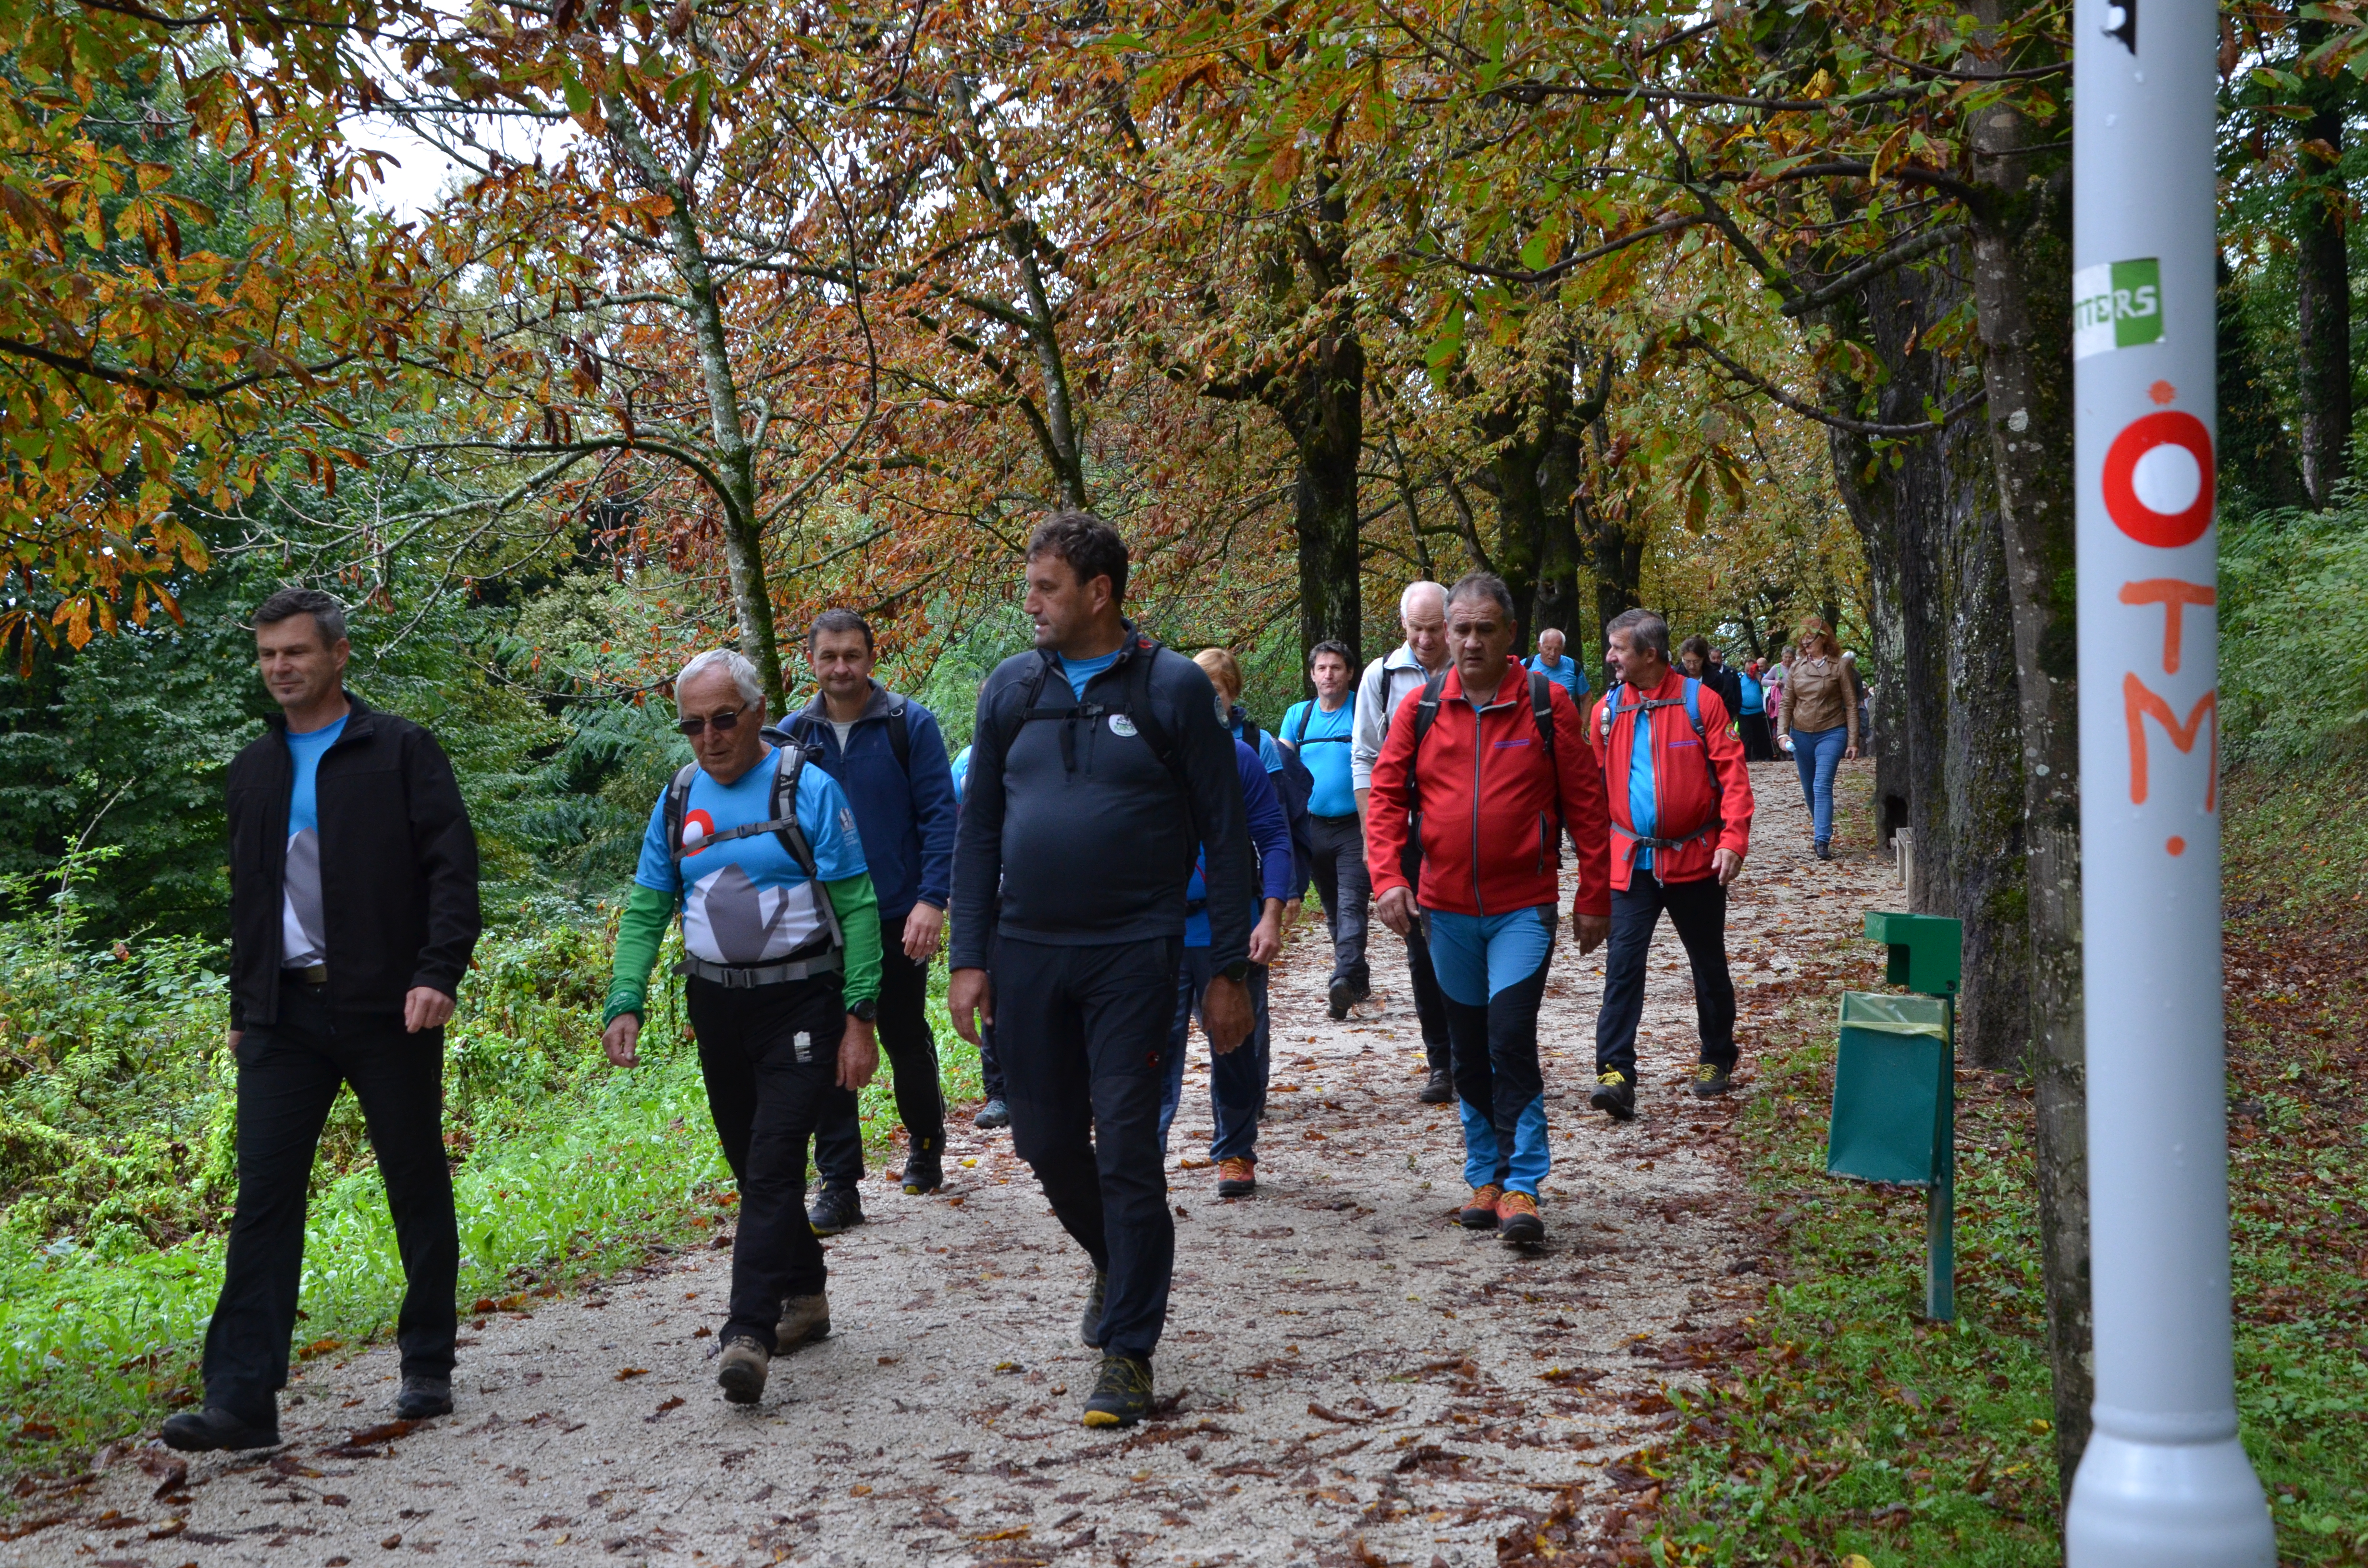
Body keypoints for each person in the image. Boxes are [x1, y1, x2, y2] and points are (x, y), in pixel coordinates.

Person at [948, 512, 1255, 1430]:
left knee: (1125, 1144)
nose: (1030, 601)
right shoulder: (1009, 690)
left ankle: (1128, 1351)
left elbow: (1225, 835)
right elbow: (979, 833)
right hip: (1026, 950)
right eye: (1030, 585)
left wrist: (1226, 969)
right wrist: (969, 956)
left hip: (1136, 952)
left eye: (1045, 587)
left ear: (1098, 592)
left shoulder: (1168, 690)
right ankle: (1115, 1260)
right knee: (1043, 1141)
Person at [165, 589, 481, 1452]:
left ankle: (427, 1358)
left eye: (296, 652)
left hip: (388, 1007)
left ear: (338, 654)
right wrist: (244, 1004)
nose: (280, 667)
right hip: (282, 1016)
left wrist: (436, 973)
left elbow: (453, 869)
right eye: (268, 653)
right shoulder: (253, 769)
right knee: (264, 1197)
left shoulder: (401, 750)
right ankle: (241, 1398)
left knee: (414, 1178)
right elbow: (250, 899)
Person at [600, 649, 881, 1407]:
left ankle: (748, 1334)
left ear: (759, 711)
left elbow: (856, 908)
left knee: (772, 1161)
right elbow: (649, 906)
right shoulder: (679, 798)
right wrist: (624, 998)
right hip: (717, 1006)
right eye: (693, 724)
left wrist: (862, 1016)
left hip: (802, 1003)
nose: (710, 737)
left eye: (724, 719)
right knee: (744, 1156)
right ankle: (807, 1295)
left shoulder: (806, 789)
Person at [1365, 573, 1610, 1246]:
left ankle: (1525, 1184)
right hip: (1445, 912)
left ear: (1510, 635)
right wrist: (1388, 878)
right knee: (1468, 1050)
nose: (1470, 642)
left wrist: (1595, 895)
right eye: (1460, 629)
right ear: (1445, 634)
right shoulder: (1418, 708)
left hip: (1521, 908)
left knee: (1509, 1036)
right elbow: (1385, 798)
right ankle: (1485, 1177)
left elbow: (1587, 804)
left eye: (1484, 629)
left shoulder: (1544, 702)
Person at [789, 610, 960, 1227]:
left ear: (870, 657)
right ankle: (840, 1183)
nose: (841, 668)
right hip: (816, 925)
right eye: (829, 656)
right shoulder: (789, 738)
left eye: (852, 656)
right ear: (810, 660)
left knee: (901, 1032)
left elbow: (942, 818)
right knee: (828, 1044)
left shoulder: (906, 725)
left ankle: (925, 1143)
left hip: (895, 912)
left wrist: (931, 900)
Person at [1587, 610, 1757, 1119]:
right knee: (1622, 966)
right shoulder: (1605, 710)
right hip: (1632, 862)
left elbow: (1733, 775)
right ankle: (1614, 1073)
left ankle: (1715, 1056)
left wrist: (1733, 840)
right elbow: (1593, 791)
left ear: (1650, 654)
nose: (1610, 658)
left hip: (1695, 860)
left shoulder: (1699, 702)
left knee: (1706, 962)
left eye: (1618, 649)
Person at [1160, 704, 1293, 1199]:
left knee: (1234, 1043)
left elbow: (1273, 837)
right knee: (1149, 1047)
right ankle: (1140, 1159)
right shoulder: (1139, 760)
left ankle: (1235, 1151)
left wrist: (1271, 914)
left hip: (1229, 924)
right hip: (1157, 929)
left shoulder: (1238, 758)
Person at [1351, 581, 1455, 1104]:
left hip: (1465, 828)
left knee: (1471, 941)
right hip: (1409, 828)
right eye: (1415, 629)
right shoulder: (1382, 676)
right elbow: (1365, 759)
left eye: (1434, 628)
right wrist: (1378, 846)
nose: (1425, 639)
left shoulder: (1474, 663)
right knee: (1421, 951)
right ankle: (1441, 1061)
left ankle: (1479, 1052)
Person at [1281, 640, 1368, 1019]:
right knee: (1333, 910)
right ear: (1312, 674)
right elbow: (1282, 768)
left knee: (1351, 906)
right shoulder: (1298, 716)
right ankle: (1356, 979)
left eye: (1336, 668)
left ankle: (1341, 981)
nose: (1329, 675)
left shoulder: (1363, 712)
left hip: (1355, 827)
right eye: (1322, 668)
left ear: (1350, 672)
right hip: (1312, 827)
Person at [949, 744, 1009, 1131]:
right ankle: (1000, 1093)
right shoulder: (966, 762)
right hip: (988, 902)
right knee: (991, 999)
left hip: (1042, 899)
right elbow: (957, 825)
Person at [1775, 618, 1859, 859]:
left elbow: (1852, 705)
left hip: (1832, 732)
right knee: (1809, 789)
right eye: (1803, 640)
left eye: (1810, 639)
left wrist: (1853, 740)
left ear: (1824, 639)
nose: (1806, 644)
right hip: (1801, 735)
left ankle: (1822, 840)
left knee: (1822, 785)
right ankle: (1820, 827)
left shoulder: (1840, 667)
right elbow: (1787, 703)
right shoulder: (1797, 668)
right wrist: (1782, 733)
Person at [1523, 627, 1591, 708]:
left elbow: (1587, 698)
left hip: (1565, 719)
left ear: (1563, 649)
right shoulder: (1525, 666)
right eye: (1548, 648)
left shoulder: (1573, 667)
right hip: (1534, 719)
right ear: (1539, 646)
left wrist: (1583, 721)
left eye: (1557, 649)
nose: (1553, 654)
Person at [1738, 660, 1775, 761]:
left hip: (1760, 712)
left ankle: (1763, 757)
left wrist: (1758, 677)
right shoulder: (1739, 677)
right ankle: (1746, 759)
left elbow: (1769, 690)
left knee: (1761, 736)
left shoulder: (1763, 677)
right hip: (1744, 712)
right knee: (1746, 737)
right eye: (1747, 670)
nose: (1749, 673)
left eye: (1751, 670)